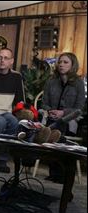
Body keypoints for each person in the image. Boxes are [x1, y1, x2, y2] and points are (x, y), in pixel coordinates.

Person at [41, 52, 85, 183]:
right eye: (60, 62)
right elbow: (44, 102)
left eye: (65, 62)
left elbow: (80, 108)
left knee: (59, 128)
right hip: (51, 117)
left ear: (73, 65)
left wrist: (63, 113)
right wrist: (50, 111)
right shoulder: (51, 81)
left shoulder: (78, 83)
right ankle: (55, 171)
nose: (61, 65)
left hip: (70, 119)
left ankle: (61, 172)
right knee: (50, 127)